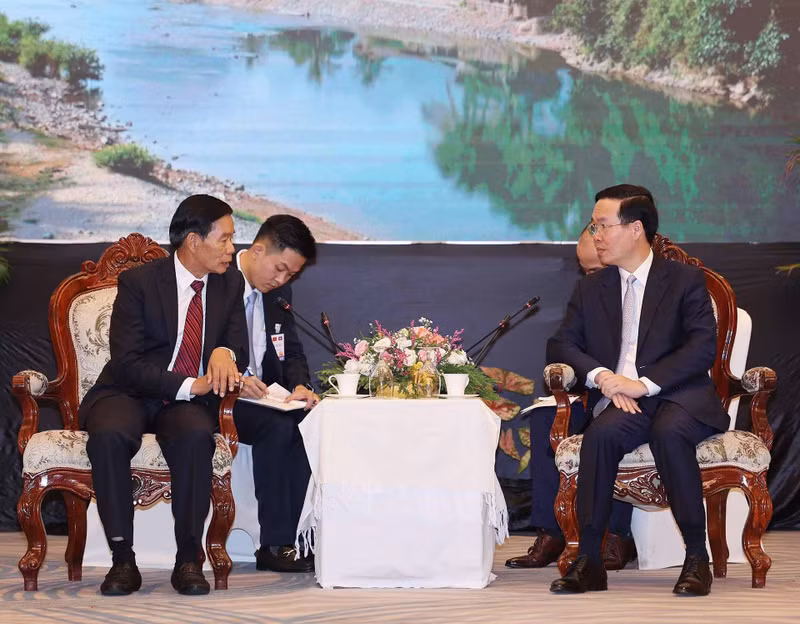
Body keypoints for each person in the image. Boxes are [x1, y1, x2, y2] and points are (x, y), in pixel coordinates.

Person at [547, 184, 727, 596]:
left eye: (603, 226)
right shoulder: (592, 287)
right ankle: (590, 560)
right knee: (602, 435)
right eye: (594, 227)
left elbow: (701, 347)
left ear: (636, 229)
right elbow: (562, 344)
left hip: (677, 394)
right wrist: (604, 378)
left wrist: (643, 383)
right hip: (621, 399)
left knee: (670, 431)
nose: (596, 236)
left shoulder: (684, 280)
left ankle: (696, 558)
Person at [80, 194, 247, 596]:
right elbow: (126, 363)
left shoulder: (229, 282)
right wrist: (192, 384)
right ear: (193, 241)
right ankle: (123, 560)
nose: (232, 249)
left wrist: (224, 353)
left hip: (185, 403)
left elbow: (234, 342)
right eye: (224, 239)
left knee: (193, 437)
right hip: (129, 390)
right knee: (109, 433)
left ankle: (188, 559)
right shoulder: (139, 282)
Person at [506, 226, 636, 571]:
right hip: (594, 392)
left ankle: (617, 535)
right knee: (546, 419)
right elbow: (563, 345)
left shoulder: (648, 293)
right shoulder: (590, 295)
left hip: (638, 399)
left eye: (596, 269)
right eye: (586, 270)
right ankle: (553, 531)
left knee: (613, 428)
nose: (590, 277)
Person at [233, 215, 320, 573]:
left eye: (291, 275)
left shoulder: (278, 293)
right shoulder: (217, 281)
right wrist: (236, 379)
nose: (282, 280)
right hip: (219, 395)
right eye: (280, 269)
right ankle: (274, 543)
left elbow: (293, 351)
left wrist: (300, 385)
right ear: (257, 250)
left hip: (264, 395)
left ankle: (304, 536)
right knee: (277, 427)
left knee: (308, 419)